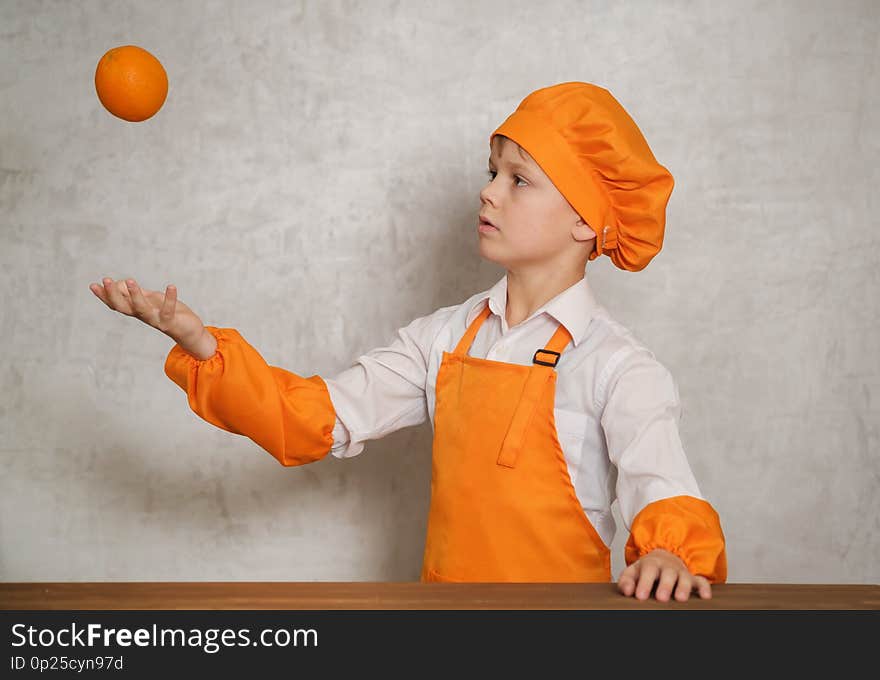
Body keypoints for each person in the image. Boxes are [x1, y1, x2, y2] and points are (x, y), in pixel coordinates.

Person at [90, 81, 726, 601]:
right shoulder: (444, 338)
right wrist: (202, 345)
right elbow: (314, 418)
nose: (488, 190)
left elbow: (664, 487)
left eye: (519, 179)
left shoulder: (618, 366)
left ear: (587, 219)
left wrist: (670, 550)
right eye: (491, 171)